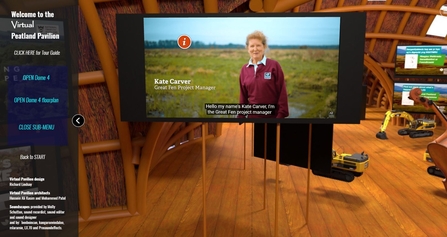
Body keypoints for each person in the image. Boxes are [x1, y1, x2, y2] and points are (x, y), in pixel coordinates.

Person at [238, 30, 289, 118]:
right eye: (252, 46)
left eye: (258, 45)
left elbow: (282, 93)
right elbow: (243, 97)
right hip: (252, 118)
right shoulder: (244, 69)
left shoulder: (274, 66)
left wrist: (280, 116)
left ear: (264, 46)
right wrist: (241, 116)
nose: (255, 49)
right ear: (247, 48)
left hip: (273, 118)